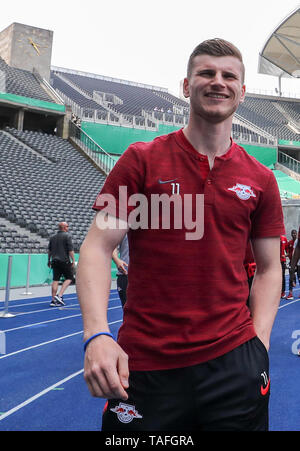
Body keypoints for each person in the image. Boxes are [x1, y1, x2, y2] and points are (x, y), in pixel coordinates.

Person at [76, 38, 285, 431]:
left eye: (228, 76)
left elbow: (271, 268)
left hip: (235, 363)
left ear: (243, 92)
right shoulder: (140, 160)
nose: (217, 82)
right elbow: (97, 248)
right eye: (206, 73)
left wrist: (259, 342)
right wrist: (96, 335)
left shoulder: (261, 179)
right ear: (187, 86)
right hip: (146, 367)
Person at [48, 221, 75, 307]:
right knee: (70, 278)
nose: (68, 228)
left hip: (54, 261)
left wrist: (48, 260)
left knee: (55, 280)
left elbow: (49, 251)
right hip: (64, 261)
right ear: (63, 227)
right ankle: (59, 295)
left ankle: (53, 300)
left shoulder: (52, 237)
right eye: (67, 226)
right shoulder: (67, 236)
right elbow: (70, 250)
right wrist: (73, 260)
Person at [112, 234, 129, 308]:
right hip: (125, 274)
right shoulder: (124, 226)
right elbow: (112, 246)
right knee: (126, 308)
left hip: (147, 276)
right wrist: (116, 260)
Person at [288, 226, 300, 300]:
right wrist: (292, 263)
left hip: (296, 262)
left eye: (295, 233)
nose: (294, 234)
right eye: (293, 233)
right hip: (296, 262)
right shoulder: (295, 242)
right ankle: (290, 293)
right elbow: (294, 253)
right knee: (291, 276)